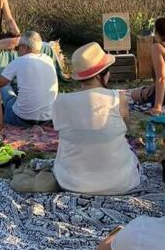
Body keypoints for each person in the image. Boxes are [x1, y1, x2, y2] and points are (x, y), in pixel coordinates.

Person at [51, 42, 140, 195]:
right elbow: (126, 129)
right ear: (101, 75)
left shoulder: (59, 102)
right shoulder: (118, 99)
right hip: (121, 182)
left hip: (71, 182)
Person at [0, 31, 57, 127]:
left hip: (20, 119)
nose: (16, 50)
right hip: (47, 119)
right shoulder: (48, 59)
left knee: (2, 87)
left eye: (18, 47)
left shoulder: (20, 61)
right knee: (14, 87)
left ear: (25, 47)